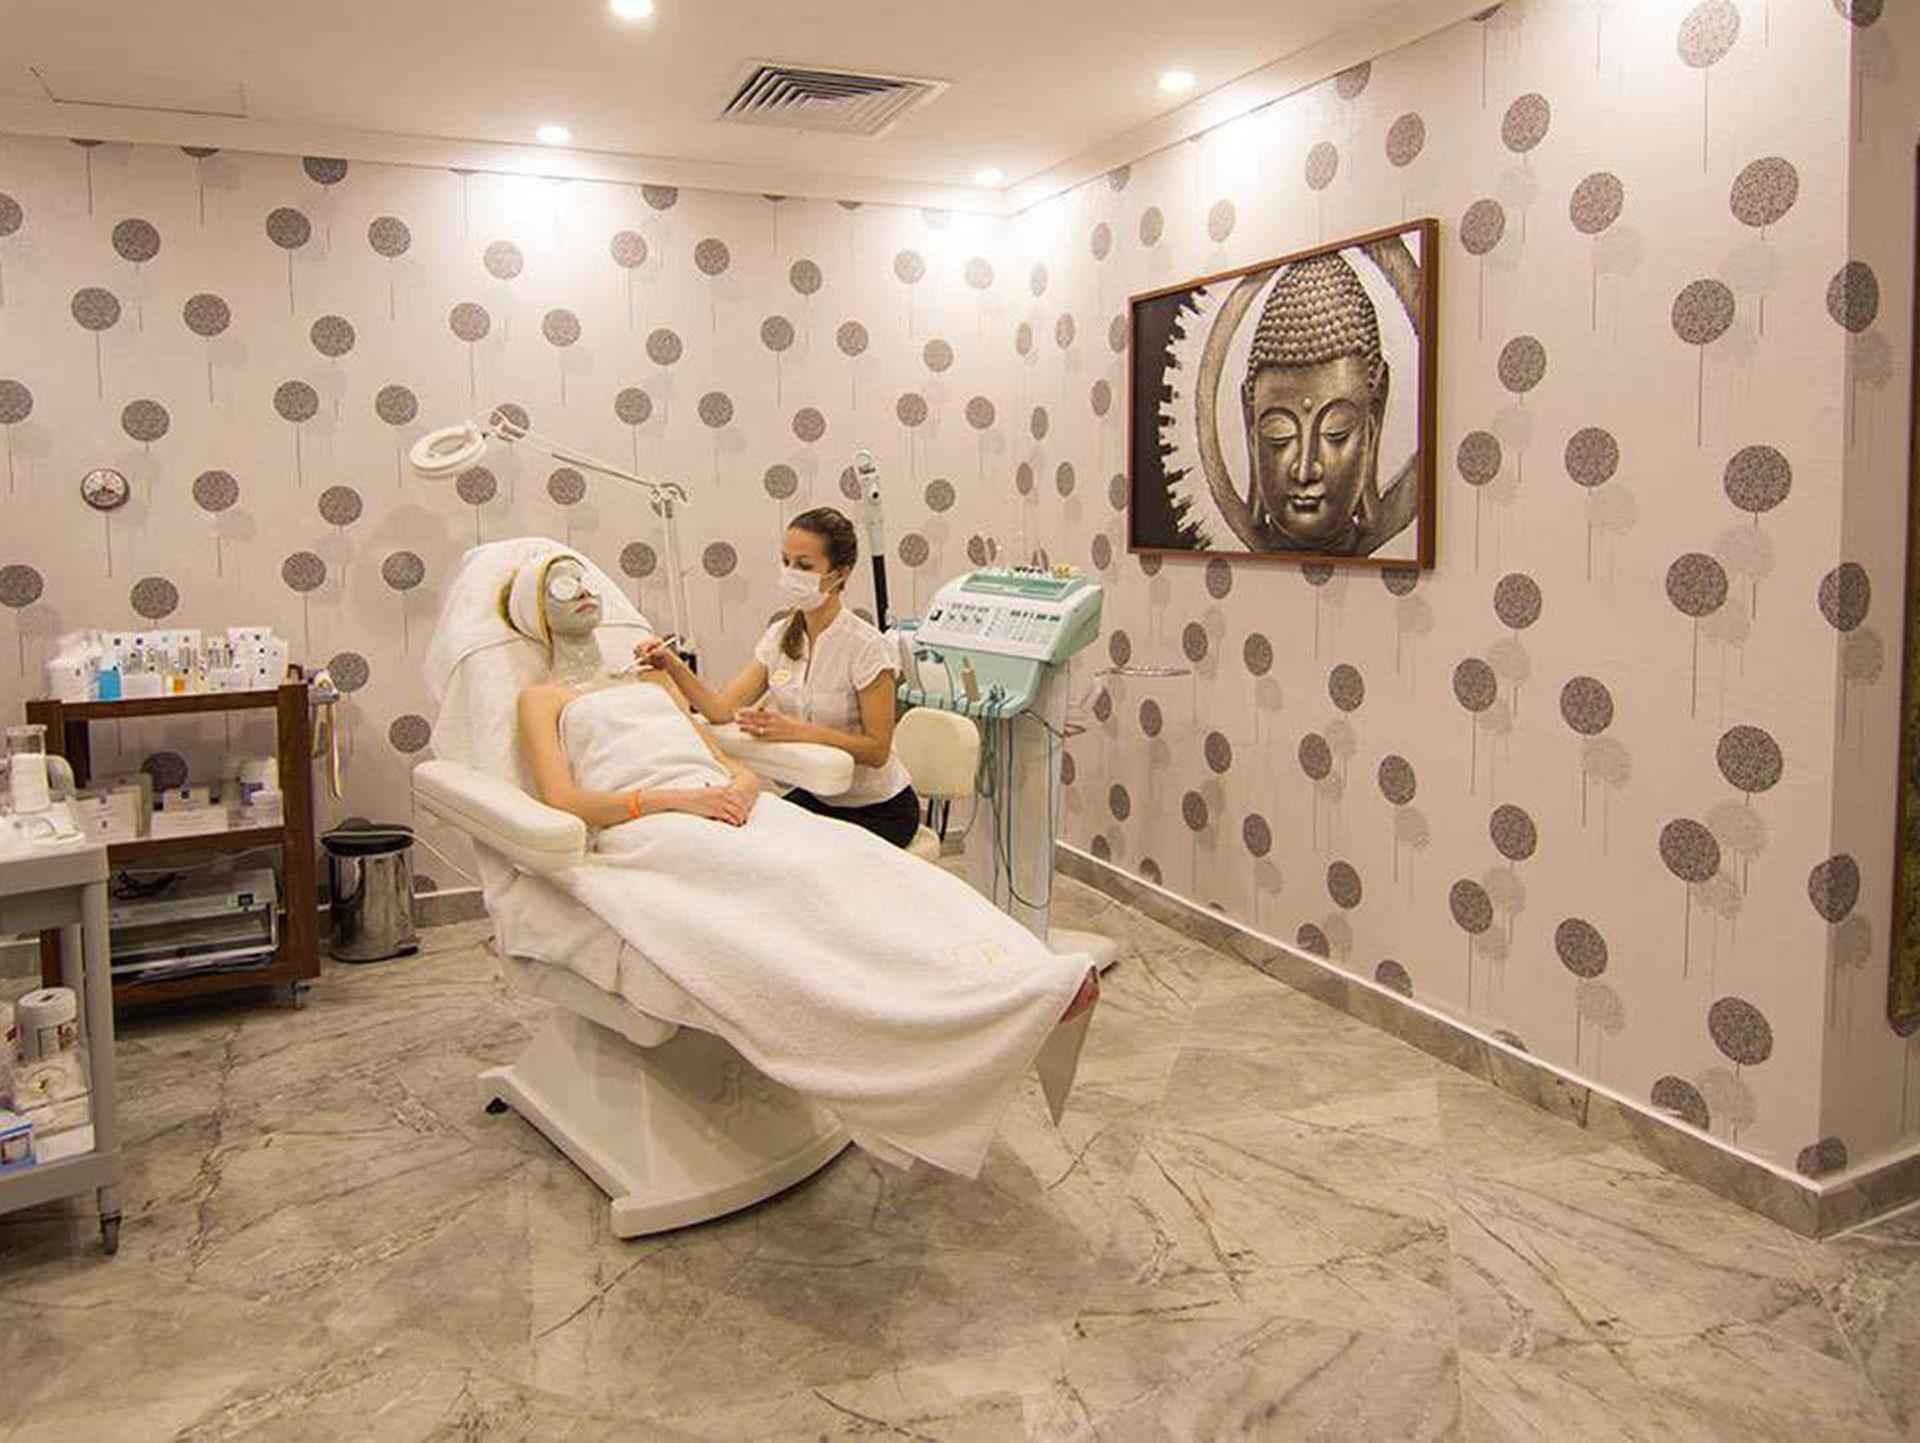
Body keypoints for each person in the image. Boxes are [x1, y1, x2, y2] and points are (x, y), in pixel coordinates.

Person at [502, 548, 1099, 1177]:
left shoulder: (650, 681)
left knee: (851, 859)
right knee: (795, 882)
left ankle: (1015, 977)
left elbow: (716, 751)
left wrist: (739, 783)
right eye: (560, 586)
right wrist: (680, 800)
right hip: (650, 824)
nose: (582, 589)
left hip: (728, 804)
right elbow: (564, 799)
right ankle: (951, 1016)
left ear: (838, 573)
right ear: (535, 612)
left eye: (583, 579)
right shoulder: (541, 698)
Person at [634, 507, 920, 848]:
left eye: (804, 566)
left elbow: (877, 750)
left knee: (797, 858)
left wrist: (798, 731)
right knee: (748, 841)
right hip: (818, 797)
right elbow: (721, 710)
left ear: (840, 574)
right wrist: (672, 665)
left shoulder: (866, 647)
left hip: (881, 810)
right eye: (786, 562)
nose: (791, 574)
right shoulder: (780, 637)